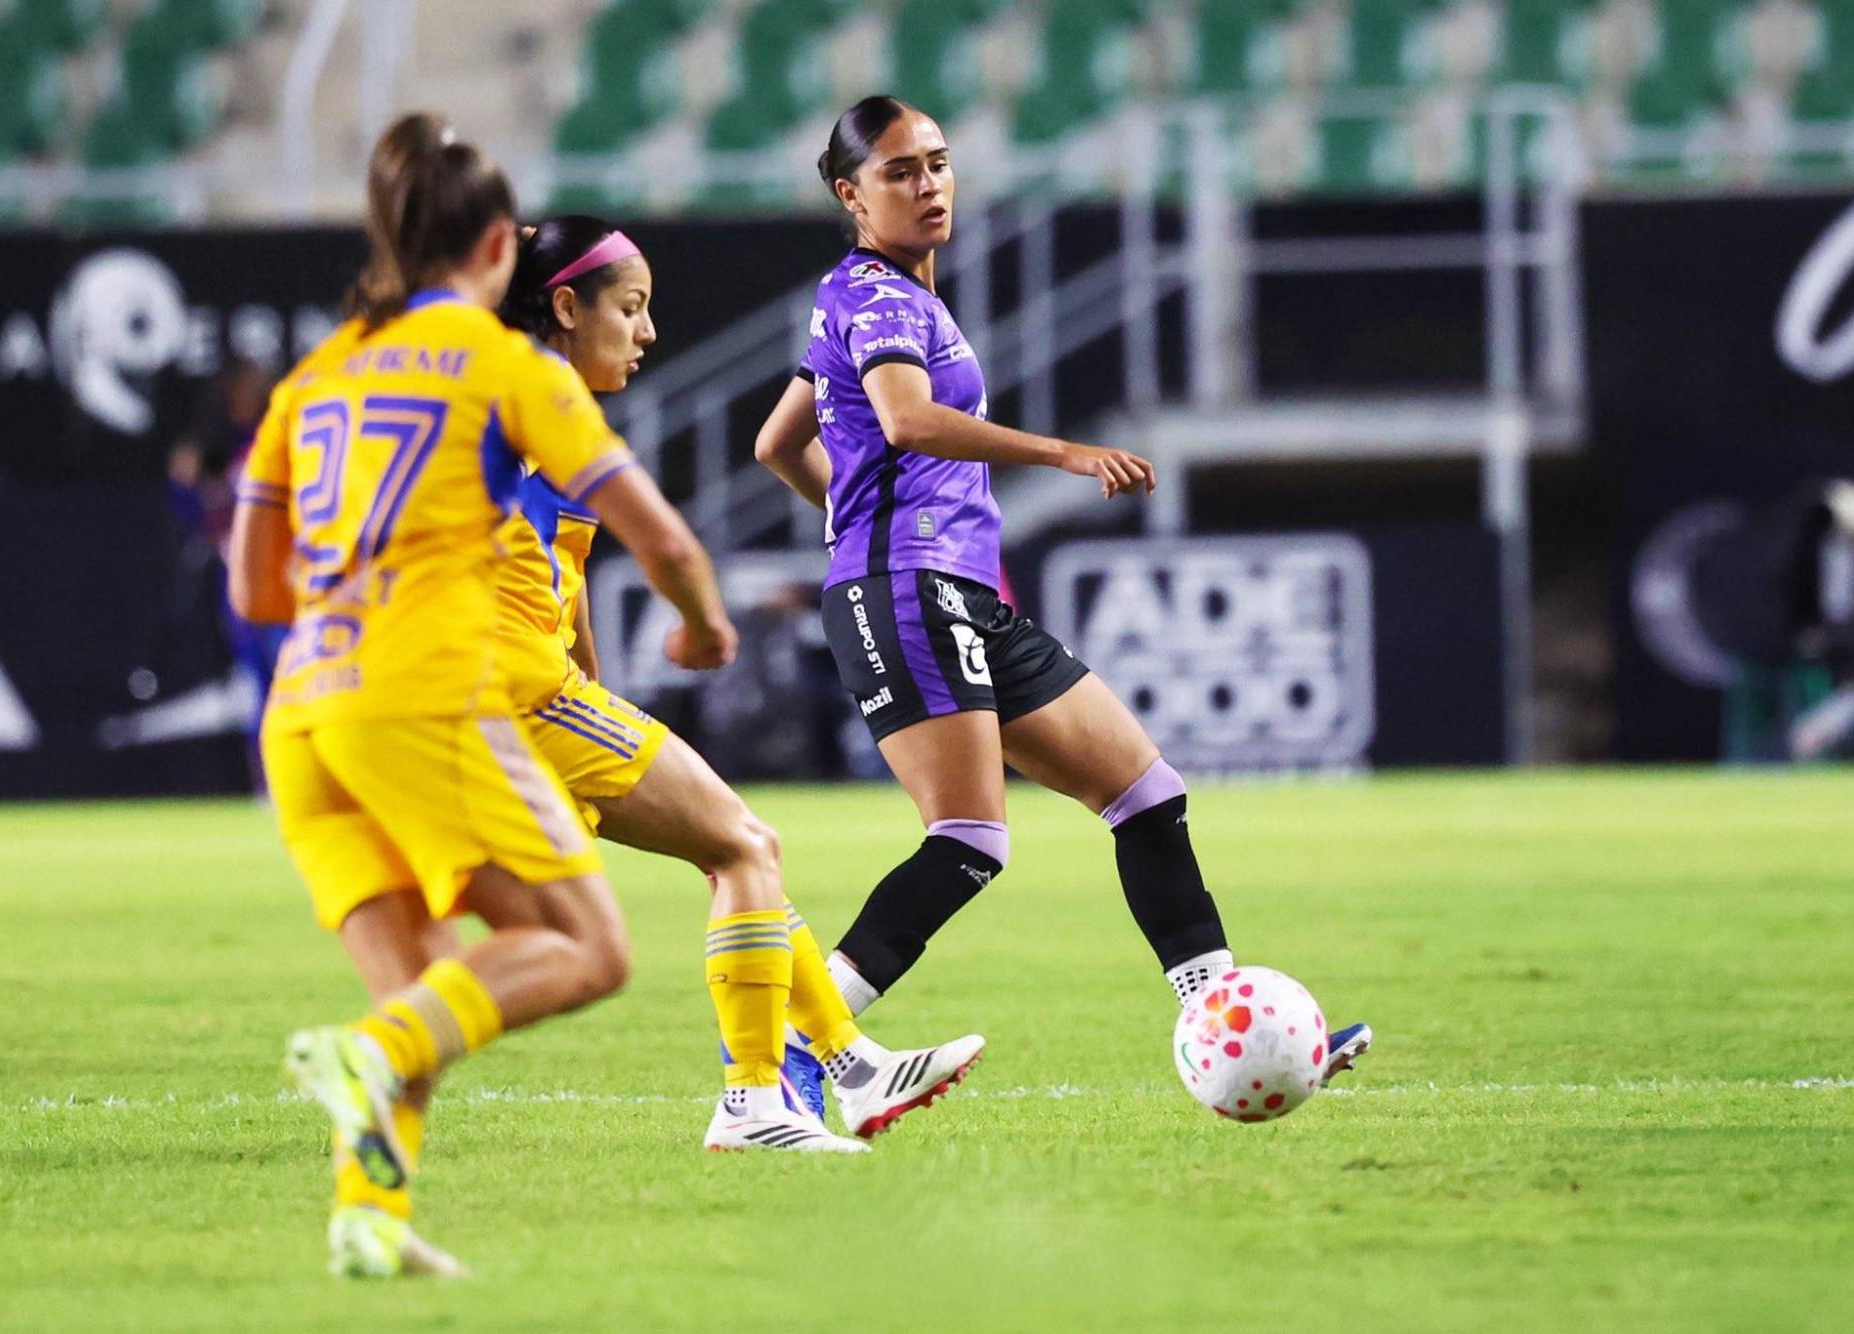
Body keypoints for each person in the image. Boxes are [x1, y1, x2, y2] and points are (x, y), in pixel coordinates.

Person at [228, 115, 747, 1282]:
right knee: (584, 947)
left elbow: (256, 586)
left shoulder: (313, 376)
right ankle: (367, 1050)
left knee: (426, 976)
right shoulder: (509, 367)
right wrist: (704, 623)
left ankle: (368, 1212)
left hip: (304, 714)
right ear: (498, 253)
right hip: (423, 696)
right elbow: (654, 534)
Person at [752, 96, 1373, 1071]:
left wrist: (847, 506)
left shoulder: (891, 299)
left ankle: (1228, 1031)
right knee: (966, 837)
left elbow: (776, 440)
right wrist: (1060, 452)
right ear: (849, 193)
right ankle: (793, 1052)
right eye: (899, 172)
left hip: (955, 590)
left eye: (937, 163)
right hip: (908, 590)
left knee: (1146, 795)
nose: (927, 185)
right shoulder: (874, 298)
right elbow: (908, 421)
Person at [495, 215, 984, 1147]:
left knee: (738, 846)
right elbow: (645, 541)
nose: (646, 334)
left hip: (528, 689)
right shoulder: (540, 389)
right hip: (517, 690)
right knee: (744, 847)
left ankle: (852, 1066)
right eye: (630, 310)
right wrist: (697, 621)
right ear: (565, 307)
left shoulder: (522, 395)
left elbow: (563, 562)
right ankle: (756, 1099)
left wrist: (592, 686)